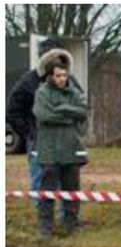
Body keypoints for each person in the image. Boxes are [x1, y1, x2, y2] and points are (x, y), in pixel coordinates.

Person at [7, 37, 83, 209]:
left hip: (66, 141)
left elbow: (81, 105)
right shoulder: (28, 82)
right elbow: (12, 111)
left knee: (68, 183)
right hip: (39, 142)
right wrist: (29, 133)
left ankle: (68, 220)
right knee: (40, 182)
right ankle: (44, 221)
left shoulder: (70, 81)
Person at [33, 51, 88, 237]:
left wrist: (63, 109)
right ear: (50, 76)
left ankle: (71, 227)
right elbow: (44, 115)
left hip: (72, 150)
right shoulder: (41, 93)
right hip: (49, 151)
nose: (62, 79)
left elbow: (82, 110)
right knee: (47, 192)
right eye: (58, 76)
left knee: (72, 192)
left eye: (64, 75)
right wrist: (69, 118)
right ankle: (46, 228)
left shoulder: (75, 92)